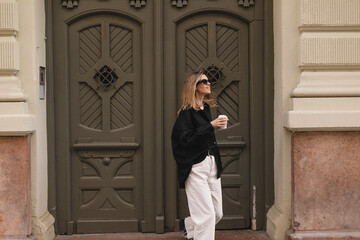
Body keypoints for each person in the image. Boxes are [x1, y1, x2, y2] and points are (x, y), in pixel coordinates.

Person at [171, 71, 228, 240]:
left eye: (208, 81)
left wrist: (212, 126)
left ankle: (189, 225)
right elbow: (184, 140)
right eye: (203, 81)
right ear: (194, 87)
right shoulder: (186, 113)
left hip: (212, 164)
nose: (208, 83)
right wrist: (210, 126)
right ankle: (196, 230)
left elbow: (204, 135)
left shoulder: (206, 109)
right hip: (196, 166)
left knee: (217, 213)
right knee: (206, 216)